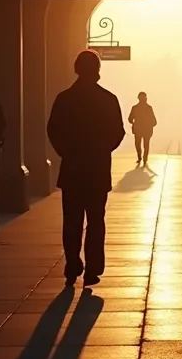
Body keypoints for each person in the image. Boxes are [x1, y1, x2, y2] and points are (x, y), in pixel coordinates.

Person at [46, 50, 125, 286]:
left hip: (72, 169)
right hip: (97, 169)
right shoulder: (108, 99)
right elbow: (118, 132)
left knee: (72, 220)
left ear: (76, 70)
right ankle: (93, 268)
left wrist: (66, 152)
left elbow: (53, 130)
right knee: (95, 220)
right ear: (98, 70)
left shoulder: (64, 98)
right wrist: (101, 150)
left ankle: (72, 263)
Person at [128, 92, 158, 167]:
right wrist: (150, 125)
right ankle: (144, 158)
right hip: (146, 130)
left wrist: (133, 123)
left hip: (138, 129)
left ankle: (140, 157)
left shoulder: (135, 108)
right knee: (146, 144)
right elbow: (154, 121)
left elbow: (130, 119)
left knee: (138, 144)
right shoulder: (148, 108)